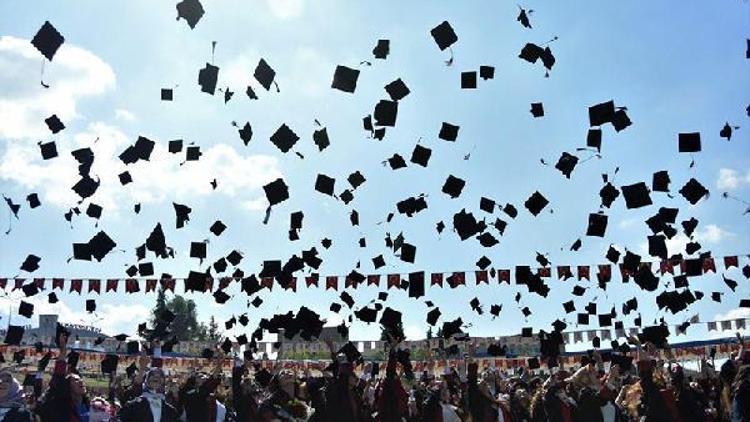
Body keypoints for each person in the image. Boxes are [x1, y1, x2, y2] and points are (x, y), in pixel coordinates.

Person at [36, 333, 91, 422]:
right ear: (67, 386)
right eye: (76, 380)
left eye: (80, 379)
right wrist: (63, 351)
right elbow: (59, 376)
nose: (81, 381)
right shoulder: (60, 407)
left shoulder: (91, 406)